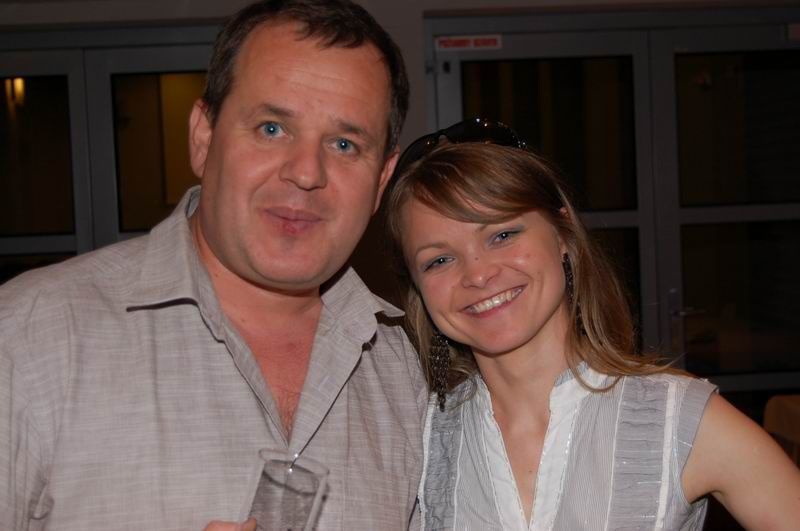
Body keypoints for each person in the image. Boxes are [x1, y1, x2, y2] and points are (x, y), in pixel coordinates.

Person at [0, 1, 428, 529]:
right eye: (272, 128)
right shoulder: (29, 335)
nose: (306, 172)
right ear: (203, 138)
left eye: (344, 144)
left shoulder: (398, 369)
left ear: (381, 180)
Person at [382, 118, 800, 530]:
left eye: (503, 235)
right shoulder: (417, 440)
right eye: (439, 260)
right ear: (417, 287)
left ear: (562, 233)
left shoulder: (677, 419)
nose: (477, 274)